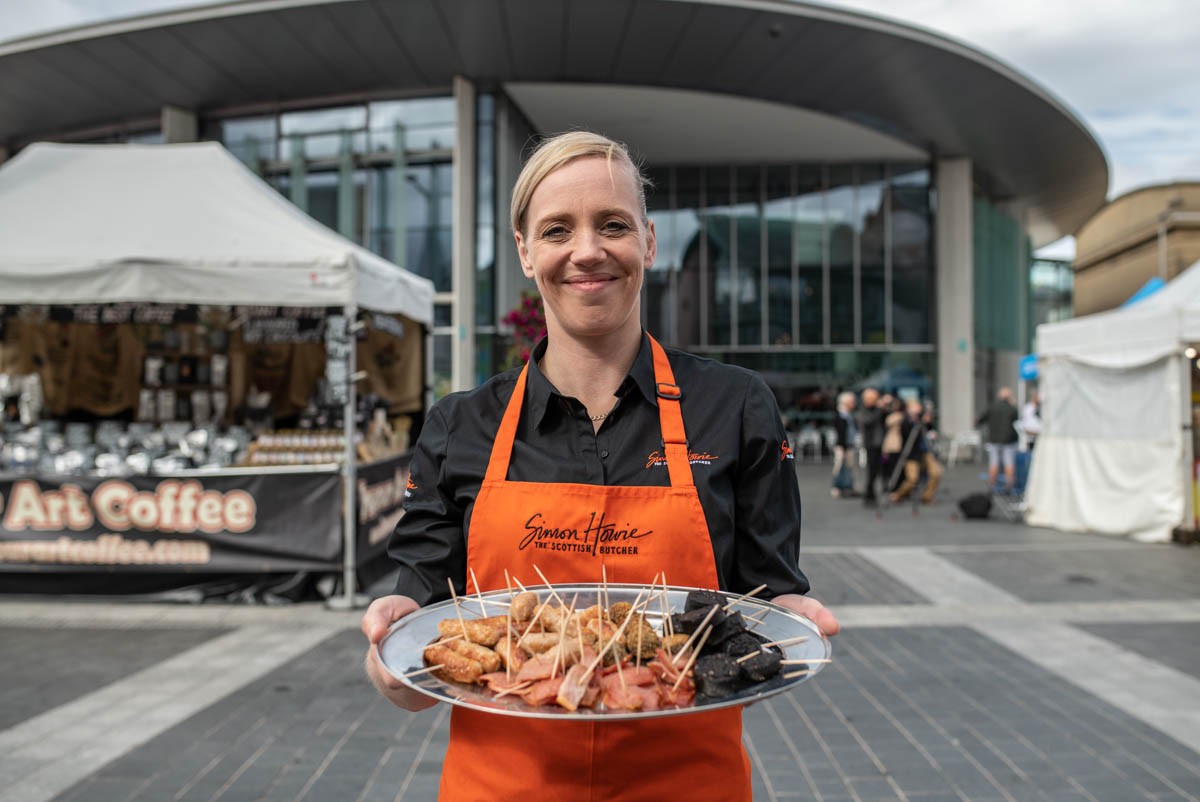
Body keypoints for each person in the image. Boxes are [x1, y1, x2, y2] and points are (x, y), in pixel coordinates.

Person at [360, 131, 839, 802]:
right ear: (525, 252)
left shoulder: (734, 407)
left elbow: (762, 604)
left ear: (647, 241)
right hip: (499, 788)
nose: (587, 251)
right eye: (558, 230)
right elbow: (419, 632)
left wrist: (791, 625)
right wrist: (390, 652)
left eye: (612, 225)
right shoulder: (459, 426)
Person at [890, 398, 943, 504]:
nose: (918, 409)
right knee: (912, 479)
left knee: (936, 473)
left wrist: (927, 422)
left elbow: (928, 430)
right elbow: (908, 436)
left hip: (926, 451)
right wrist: (916, 421)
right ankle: (898, 494)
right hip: (912, 453)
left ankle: (927, 496)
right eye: (916, 407)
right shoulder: (905, 421)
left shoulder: (921, 420)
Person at [978, 386, 1019, 493]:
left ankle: (992, 486)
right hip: (1009, 440)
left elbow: (981, 419)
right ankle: (1008, 487)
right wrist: (1013, 404)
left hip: (994, 439)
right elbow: (1018, 419)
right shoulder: (1011, 408)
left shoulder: (992, 407)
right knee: (1008, 463)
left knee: (994, 463)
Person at [856, 387, 885, 506]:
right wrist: (879, 409)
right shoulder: (863, 411)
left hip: (879, 444)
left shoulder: (877, 410)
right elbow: (869, 421)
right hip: (871, 444)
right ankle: (869, 495)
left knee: (877, 470)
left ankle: (872, 494)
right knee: (871, 471)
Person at [831, 390, 858, 498]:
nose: (854, 404)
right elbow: (841, 434)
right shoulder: (841, 416)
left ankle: (848, 487)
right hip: (843, 446)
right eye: (852, 402)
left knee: (850, 467)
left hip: (848, 445)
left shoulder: (848, 415)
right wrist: (843, 448)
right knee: (839, 467)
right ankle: (837, 487)